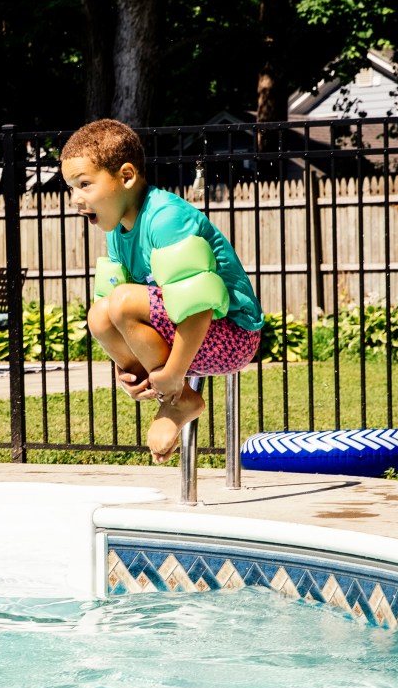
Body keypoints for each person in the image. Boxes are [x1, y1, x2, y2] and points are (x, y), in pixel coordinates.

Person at [61, 119, 264, 463]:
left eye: (84, 184)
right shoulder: (117, 232)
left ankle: (175, 400)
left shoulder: (165, 217)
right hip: (184, 342)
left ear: (126, 177)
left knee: (124, 300)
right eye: (71, 188)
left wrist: (172, 374)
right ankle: (169, 392)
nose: (76, 200)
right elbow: (108, 316)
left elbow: (198, 305)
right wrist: (127, 366)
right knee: (99, 314)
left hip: (231, 333)